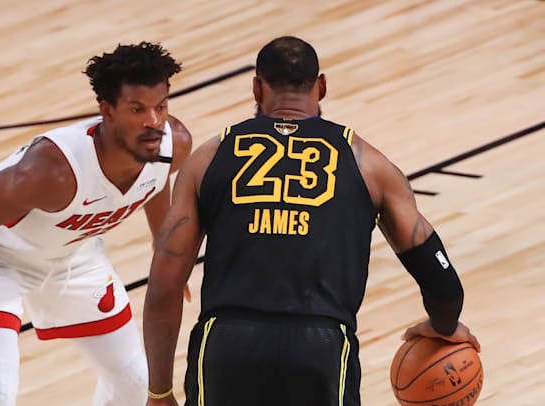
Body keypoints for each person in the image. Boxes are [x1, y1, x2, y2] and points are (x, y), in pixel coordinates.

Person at [142, 36, 480, 406]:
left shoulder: (208, 159)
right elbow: (443, 284)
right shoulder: (369, 164)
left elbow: (164, 284)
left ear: (257, 88)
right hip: (320, 349)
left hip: (226, 346)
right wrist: (444, 325)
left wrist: (159, 392)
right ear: (321, 86)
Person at [0, 41, 192, 406]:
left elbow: (155, 180)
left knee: (135, 383)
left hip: (73, 255)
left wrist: (164, 249)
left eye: (161, 107)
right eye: (137, 109)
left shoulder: (173, 144)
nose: (154, 122)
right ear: (107, 111)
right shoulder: (52, 170)